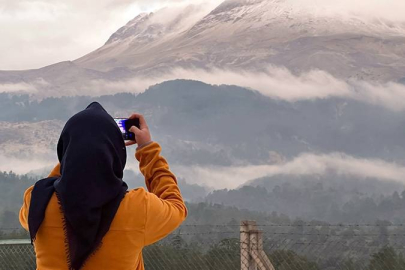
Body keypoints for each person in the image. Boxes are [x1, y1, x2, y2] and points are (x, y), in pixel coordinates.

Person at [19, 102, 187, 270]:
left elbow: (58, 184)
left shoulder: (37, 201)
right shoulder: (138, 208)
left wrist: (72, 157)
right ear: (115, 152)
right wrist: (146, 149)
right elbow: (176, 206)